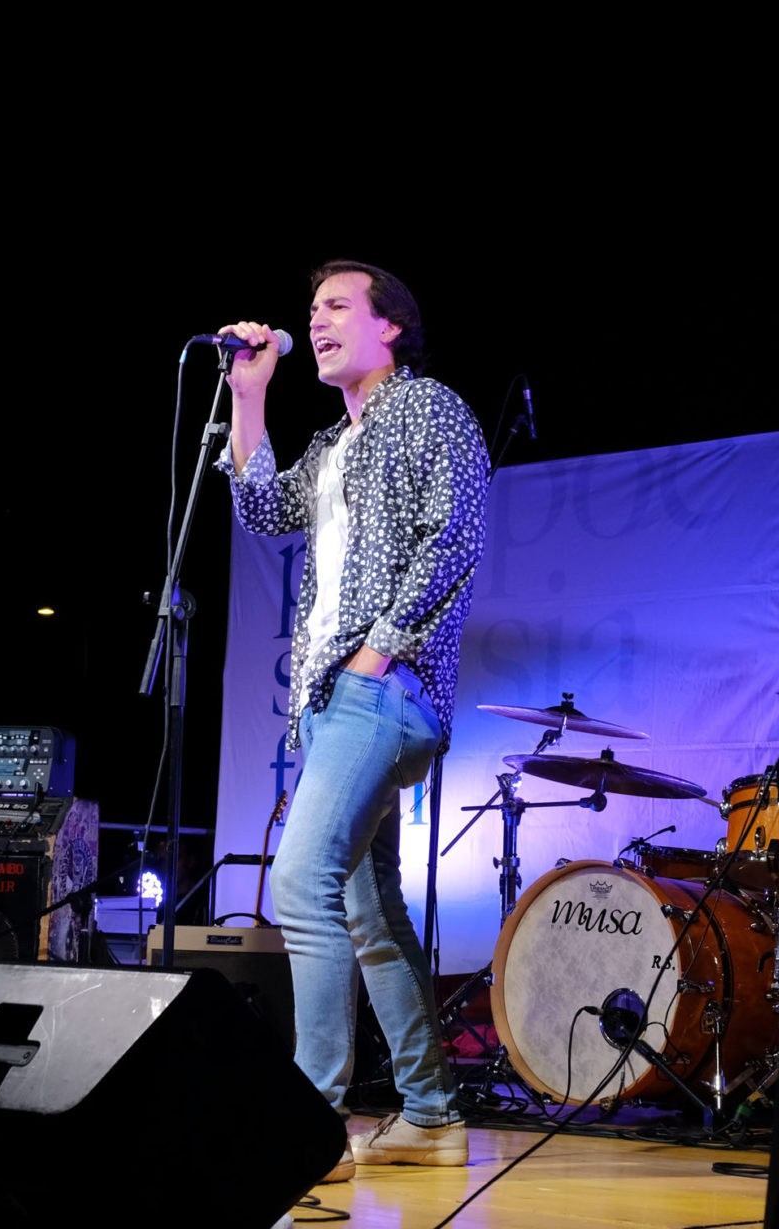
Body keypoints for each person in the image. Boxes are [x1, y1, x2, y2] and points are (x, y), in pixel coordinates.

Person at [215, 261, 488, 1178]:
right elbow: (260, 509)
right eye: (311, 311)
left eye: (337, 307)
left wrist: (383, 648)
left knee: (300, 886)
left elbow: (457, 531)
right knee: (370, 912)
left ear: (392, 329)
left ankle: (310, 1116)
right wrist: (249, 396)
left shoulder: (430, 409)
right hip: (337, 700)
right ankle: (432, 1113)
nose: (317, 321)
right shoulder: (335, 442)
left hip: (381, 688)